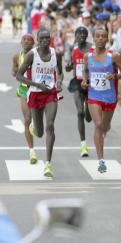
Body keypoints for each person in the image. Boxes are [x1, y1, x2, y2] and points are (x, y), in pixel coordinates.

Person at [16, 29, 63, 178]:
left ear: (50, 39)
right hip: (35, 94)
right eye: (42, 38)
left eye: (47, 38)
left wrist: (59, 81)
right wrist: (36, 84)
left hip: (50, 93)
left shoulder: (56, 54)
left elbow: (59, 71)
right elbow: (19, 75)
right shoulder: (32, 55)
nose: (45, 41)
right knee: (40, 132)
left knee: (50, 125)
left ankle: (48, 164)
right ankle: (33, 127)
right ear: (37, 39)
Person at [81, 28, 121, 173]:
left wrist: (115, 76)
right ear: (93, 39)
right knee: (98, 124)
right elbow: (85, 71)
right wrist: (84, 80)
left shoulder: (113, 56)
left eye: (103, 36)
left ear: (107, 39)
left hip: (110, 97)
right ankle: (101, 161)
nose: (100, 38)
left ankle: (105, 129)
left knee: (105, 127)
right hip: (94, 96)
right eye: (98, 36)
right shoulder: (87, 56)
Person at [65, 27, 93, 157]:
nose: (81, 36)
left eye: (84, 34)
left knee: (88, 117)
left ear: (87, 35)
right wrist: (69, 66)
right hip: (77, 83)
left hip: (91, 84)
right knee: (80, 113)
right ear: (75, 36)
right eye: (79, 34)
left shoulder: (92, 48)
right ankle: (83, 145)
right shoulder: (73, 49)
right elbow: (71, 65)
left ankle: (89, 110)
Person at [12, 34, 37, 164]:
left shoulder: (37, 55)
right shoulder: (17, 56)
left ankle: (35, 125)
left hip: (36, 90)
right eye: (24, 40)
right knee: (27, 119)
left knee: (36, 123)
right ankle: (31, 151)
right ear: (21, 42)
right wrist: (17, 71)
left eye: (30, 40)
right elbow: (14, 71)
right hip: (23, 90)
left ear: (33, 43)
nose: (27, 42)